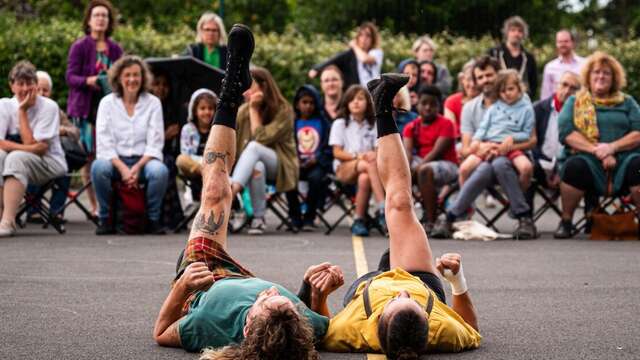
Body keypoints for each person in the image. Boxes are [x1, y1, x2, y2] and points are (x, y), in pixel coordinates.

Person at [153, 26, 344, 359]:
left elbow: (160, 333)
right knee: (222, 186)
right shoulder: (296, 323)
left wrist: (183, 287)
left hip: (203, 281)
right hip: (239, 278)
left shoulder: (209, 324)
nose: (271, 290)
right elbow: (324, 329)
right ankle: (232, 95)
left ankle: (229, 90)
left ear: (246, 327)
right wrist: (317, 295)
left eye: (267, 299)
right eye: (279, 297)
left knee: (216, 190)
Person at [322, 74, 481, 358]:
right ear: (427, 321)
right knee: (399, 202)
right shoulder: (441, 332)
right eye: (414, 305)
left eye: (396, 302)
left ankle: (382, 106)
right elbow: (471, 330)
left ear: (378, 321)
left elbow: (315, 328)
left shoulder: (351, 330)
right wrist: (457, 281)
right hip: (419, 278)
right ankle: (383, 105)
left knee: (395, 218)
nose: (402, 294)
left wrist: (318, 293)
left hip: (370, 285)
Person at [431, 56, 537, 240]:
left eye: (489, 75)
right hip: (484, 158)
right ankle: (524, 217)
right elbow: (465, 149)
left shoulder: (521, 101)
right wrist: (480, 147)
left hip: (512, 156)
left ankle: (450, 216)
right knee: (487, 167)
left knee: (499, 164)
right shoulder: (471, 108)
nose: (485, 80)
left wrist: (507, 145)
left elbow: (532, 139)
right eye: (480, 77)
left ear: (499, 75)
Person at [554, 52, 640, 238]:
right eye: (596, 72)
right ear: (588, 76)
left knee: (638, 166)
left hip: (625, 159)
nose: (601, 76)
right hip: (588, 158)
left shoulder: (628, 102)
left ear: (614, 78)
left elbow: (638, 132)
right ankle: (566, 221)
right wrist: (598, 150)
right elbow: (566, 132)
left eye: (606, 73)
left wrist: (612, 148)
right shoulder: (574, 101)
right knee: (573, 167)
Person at [91, 55, 169, 235]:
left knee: (159, 171)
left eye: (136, 75)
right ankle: (105, 219)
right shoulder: (107, 103)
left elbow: (155, 141)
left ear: (143, 78)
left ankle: (152, 219)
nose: (132, 79)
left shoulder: (153, 103)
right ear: (119, 77)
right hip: (114, 161)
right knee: (98, 168)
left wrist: (137, 167)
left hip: (144, 161)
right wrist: (123, 169)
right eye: (127, 75)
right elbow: (104, 142)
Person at [66, 0, 123, 220]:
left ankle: (109, 203)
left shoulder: (116, 48)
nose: (100, 19)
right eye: (97, 15)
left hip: (111, 109)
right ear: (89, 20)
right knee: (89, 158)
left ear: (109, 21)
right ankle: (94, 205)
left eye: (104, 16)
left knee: (107, 155)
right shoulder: (79, 46)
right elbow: (70, 77)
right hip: (85, 110)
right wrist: (88, 80)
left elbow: (123, 75)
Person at [0, 61, 68, 236]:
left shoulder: (48, 107)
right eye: (20, 84)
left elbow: (40, 149)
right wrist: (29, 147)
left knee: (15, 158)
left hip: (49, 163)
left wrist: (22, 112)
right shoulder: (4, 105)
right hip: (19, 158)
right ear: (11, 86)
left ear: (36, 85)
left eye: (29, 83)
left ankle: (8, 221)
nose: (25, 88)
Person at [229, 67, 298, 235]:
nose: (244, 91)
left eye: (249, 86)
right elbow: (235, 142)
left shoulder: (284, 110)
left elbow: (261, 138)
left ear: (264, 87)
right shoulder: (242, 111)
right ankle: (258, 218)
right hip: (251, 167)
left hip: (282, 165)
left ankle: (230, 194)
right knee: (257, 166)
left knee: (254, 147)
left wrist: (254, 110)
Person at [459, 70, 534, 191]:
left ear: (519, 88)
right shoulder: (494, 108)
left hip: (510, 146)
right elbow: (483, 127)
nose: (507, 94)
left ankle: (517, 196)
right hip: (490, 144)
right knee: (464, 169)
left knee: (527, 168)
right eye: (502, 91)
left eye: (510, 89)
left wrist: (512, 137)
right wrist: (476, 140)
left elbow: (526, 133)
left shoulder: (526, 109)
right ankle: (466, 205)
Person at [24, 70, 82, 223]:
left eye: (46, 90)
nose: (42, 93)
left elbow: (75, 131)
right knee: (31, 162)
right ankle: (33, 210)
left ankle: (56, 212)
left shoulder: (55, 110)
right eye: (39, 89)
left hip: (53, 157)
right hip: (34, 155)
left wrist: (61, 130)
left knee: (64, 169)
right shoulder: (26, 109)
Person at [329, 85, 385, 237]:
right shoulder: (340, 124)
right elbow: (337, 153)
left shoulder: (373, 124)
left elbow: (378, 150)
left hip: (367, 168)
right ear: (346, 103)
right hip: (344, 168)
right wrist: (358, 156)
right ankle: (382, 207)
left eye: (360, 98)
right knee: (368, 164)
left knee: (365, 177)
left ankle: (359, 220)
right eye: (352, 99)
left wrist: (372, 155)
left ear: (367, 102)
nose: (356, 102)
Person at [402, 85, 458, 234]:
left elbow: (436, 152)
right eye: (424, 103)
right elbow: (407, 152)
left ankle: (430, 220)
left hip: (448, 166)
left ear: (439, 106)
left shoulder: (447, 124)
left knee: (424, 170)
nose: (427, 107)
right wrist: (405, 171)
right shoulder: (411, 126)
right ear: (417, 104)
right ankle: (398, 219)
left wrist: (415, 170)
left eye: (432, 104)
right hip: (421, 163)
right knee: (397, 171)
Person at [526, 71, 581, 210]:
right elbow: (531, 142)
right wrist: (546, 167)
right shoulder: (538, 108)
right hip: (540, 163)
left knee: (584, 168)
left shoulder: (583, 114)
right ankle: (525, 220)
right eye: (564, 85)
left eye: (573, 88)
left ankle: (590, 221)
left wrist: (558, 170)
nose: (567, 91)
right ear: (557, 86)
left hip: (567, 165)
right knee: (528, 167)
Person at [286, 84, 333, 231]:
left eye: (312, 103)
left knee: (316, 179)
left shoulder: (323, 123)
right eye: (304, 102)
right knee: (289, 177)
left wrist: (317, 159)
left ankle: (309, 217)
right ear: (297, 104)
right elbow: (287, 145)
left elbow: (328, 147)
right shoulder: (292, 123)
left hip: (318, 164)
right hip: (296, 163)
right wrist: (296, 160)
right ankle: (295, 217)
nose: (308, 106)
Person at [309, 22, 383, 88]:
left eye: (368, 35)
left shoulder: (377, 52)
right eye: (361, 35)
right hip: (357, 91)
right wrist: (317, 69)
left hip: (372, 92)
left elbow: (365, 59)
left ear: (373, 39)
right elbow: (336, 59)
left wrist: (354, 46)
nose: (364, 39)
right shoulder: (352, 54)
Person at [175, 89, 217, 202]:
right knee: (181, 159)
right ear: (195, 110)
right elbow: (186, 154)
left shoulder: (217, 130)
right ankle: (208, 173)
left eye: (210, 108)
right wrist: (204, 165)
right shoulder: (188, 129)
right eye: (202, 108)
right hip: (195, 169)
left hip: (215, 166)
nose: (207, 112)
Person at [488, 16, 537, 98]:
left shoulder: (529, 58)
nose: (516, 34)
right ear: (507, 32)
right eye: (513, 30)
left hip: (521, 101)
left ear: (524, 34)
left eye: (520, 31)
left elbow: (533, 84)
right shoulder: (494, 53)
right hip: (498, 99)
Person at [540, 30, 585, 100]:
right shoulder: (550, 67)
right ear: (556, 44)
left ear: (572, 43)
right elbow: (546, 95)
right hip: (557, 109)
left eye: (566, 41)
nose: (563, 44)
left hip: (580, 107)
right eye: (560, 42)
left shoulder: (584, 64)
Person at [444, 60, 479, 137]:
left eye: (476, 79)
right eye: (469, 79)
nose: (472, 84)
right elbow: (451, 131)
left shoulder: (487, 101)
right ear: (462, 79)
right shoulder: (452, 101)